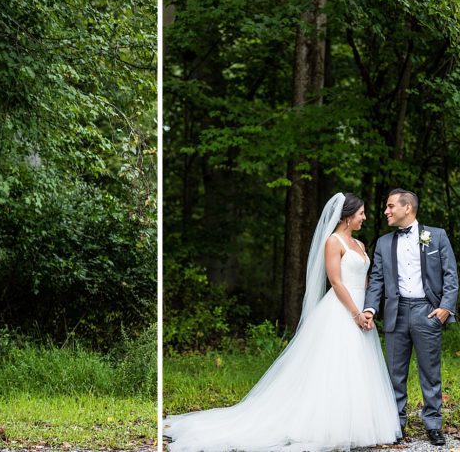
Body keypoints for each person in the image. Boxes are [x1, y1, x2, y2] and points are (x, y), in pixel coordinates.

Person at [163, 193, 400, 451]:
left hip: (360, 311)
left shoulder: (361, 245)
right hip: (341, 310)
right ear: (347, 215)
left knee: (359, 367)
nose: (364, 217)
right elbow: (336, 281)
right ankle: (328, 424)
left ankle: (359, 424)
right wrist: (354, 313)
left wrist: (368, 311)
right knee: (334, 366)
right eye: (361, 213)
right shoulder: (333, 242)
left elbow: (365, 281)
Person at [362, 188, 458, 446]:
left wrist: (446, 306)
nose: (386, 211)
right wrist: (370, 308)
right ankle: (395, 424)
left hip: (427, 312)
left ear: (408, 208)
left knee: (430, 372)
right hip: (396, 311)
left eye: (391, 206)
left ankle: (434, 425)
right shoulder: (383, 243)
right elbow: (377, 280)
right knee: (395, 372)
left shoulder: (436, 236)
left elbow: (450, 274)